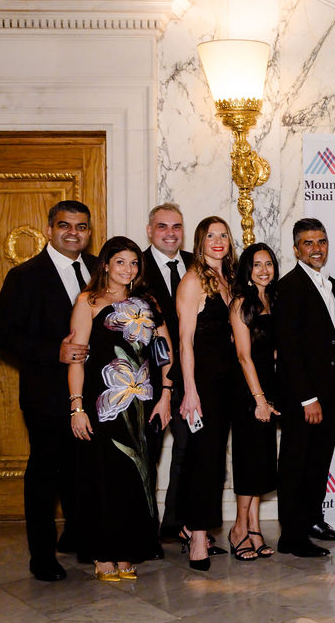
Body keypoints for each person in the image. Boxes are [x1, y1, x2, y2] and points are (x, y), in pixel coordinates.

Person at [0, 200, 97, 581]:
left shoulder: (100, 268)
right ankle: (41, 556)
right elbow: (2, 334)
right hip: (45, 393)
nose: (74, 233)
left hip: (92, 393)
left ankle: (78, 535)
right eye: (65, 225)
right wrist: (56, 351)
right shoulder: (26, 275)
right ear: (50, 228)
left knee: (81, 469)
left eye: (81, 226)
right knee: (45, 473)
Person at [66, 236, 173, 580]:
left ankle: (128, 549)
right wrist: (77, 407)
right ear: (106, 266)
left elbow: (166, 354)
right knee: (102, 477)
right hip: (104, 403)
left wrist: (166, 396)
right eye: (121, 262)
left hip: (141, 405)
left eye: (134, 263)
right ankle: (102, 554)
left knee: (134, 479)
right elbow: (76, 358)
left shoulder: (148, 302)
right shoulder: (89, 301)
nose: (128, 269)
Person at [273, 219, 335, 558]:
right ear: (296, 249)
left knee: (318, 461)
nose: (316, 248)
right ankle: (292, 535)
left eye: (321, 241)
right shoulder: (290, 286)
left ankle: (312, 520)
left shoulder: (329, 283)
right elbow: (289, 348)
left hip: (332, 391)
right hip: (306, 396)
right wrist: (308, 398)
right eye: (308, 243)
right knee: (296, 462)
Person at [175, 216, 237, 570]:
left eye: (223, 235)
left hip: (228, 381)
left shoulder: (228, 279)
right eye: (211, 236)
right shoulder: (193, 279)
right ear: (200, 242)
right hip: (203, 384)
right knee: (204, 457)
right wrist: (190, 391)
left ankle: (193, 525)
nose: (218, 241)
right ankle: (197, 535)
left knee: (214, 461)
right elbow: (185, 342)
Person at [139, 203, 196, 544]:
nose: (170, 233)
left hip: (190, 380)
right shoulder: (135, 265)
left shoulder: (197, 265)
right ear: (150, 230)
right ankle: (145, 531)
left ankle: (175, 525)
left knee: (189, 454)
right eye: (162, 227)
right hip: (148, 381)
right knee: (147, 455)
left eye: (176, 226)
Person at [228, 243, 280, 561]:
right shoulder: (241, 304)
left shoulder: (272, 299)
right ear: (247, 270)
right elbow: (244, 356)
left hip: (268, 389)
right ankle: (238, 528)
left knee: (262, 460)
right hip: (248, 391)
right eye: (257, 264)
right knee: (249, 461)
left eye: (269, 264)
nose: (263, 269)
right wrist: (259, 399)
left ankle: (255, 527)